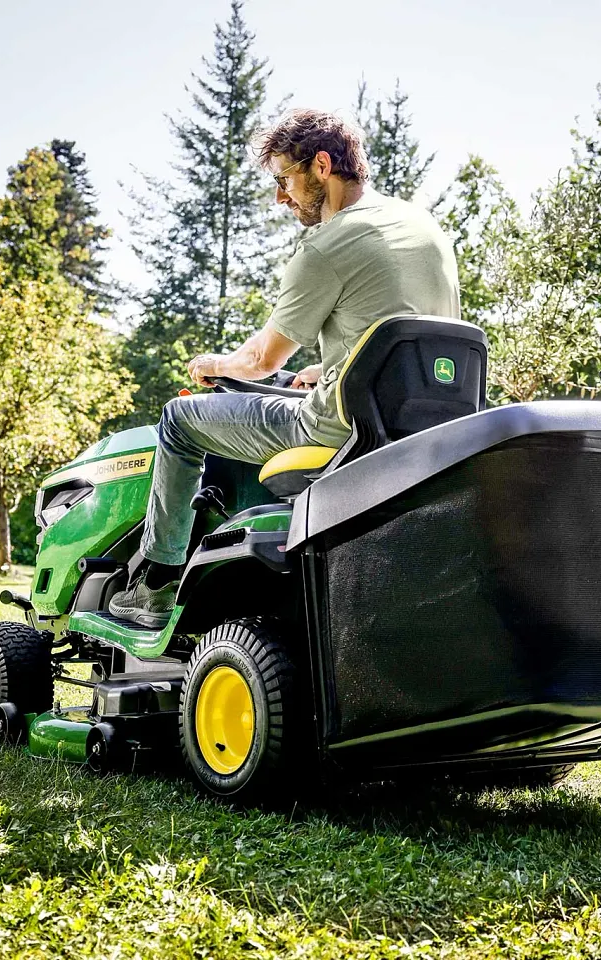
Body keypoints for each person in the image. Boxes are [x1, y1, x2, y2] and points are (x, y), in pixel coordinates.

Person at [109, 108, 461, 626]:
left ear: (322, 166)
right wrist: (333, 367)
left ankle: (155, 585)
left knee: (179, 423)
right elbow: (407, 331)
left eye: (284, 179)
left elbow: (261, 360)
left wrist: (216, 364)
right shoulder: (423, 226)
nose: (280, 197)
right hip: (424, 426)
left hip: (340, 427)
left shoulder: (327, 245)